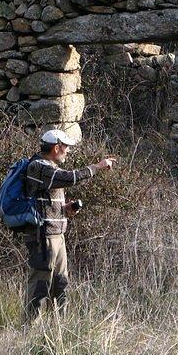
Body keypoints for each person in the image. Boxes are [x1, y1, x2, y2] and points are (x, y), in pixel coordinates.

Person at [22, 128, 116, 321]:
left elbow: (45, 200)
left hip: (56, 235)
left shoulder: (47, 168)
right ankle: (30, 331)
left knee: (60, 284)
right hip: (43, 237)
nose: (68, 151)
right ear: (56, 148)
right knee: (40, 285)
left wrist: (64, 209)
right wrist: (97, 166)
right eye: (66, 147)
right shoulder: (39, 167)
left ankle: (59, 330)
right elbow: (70, 178)